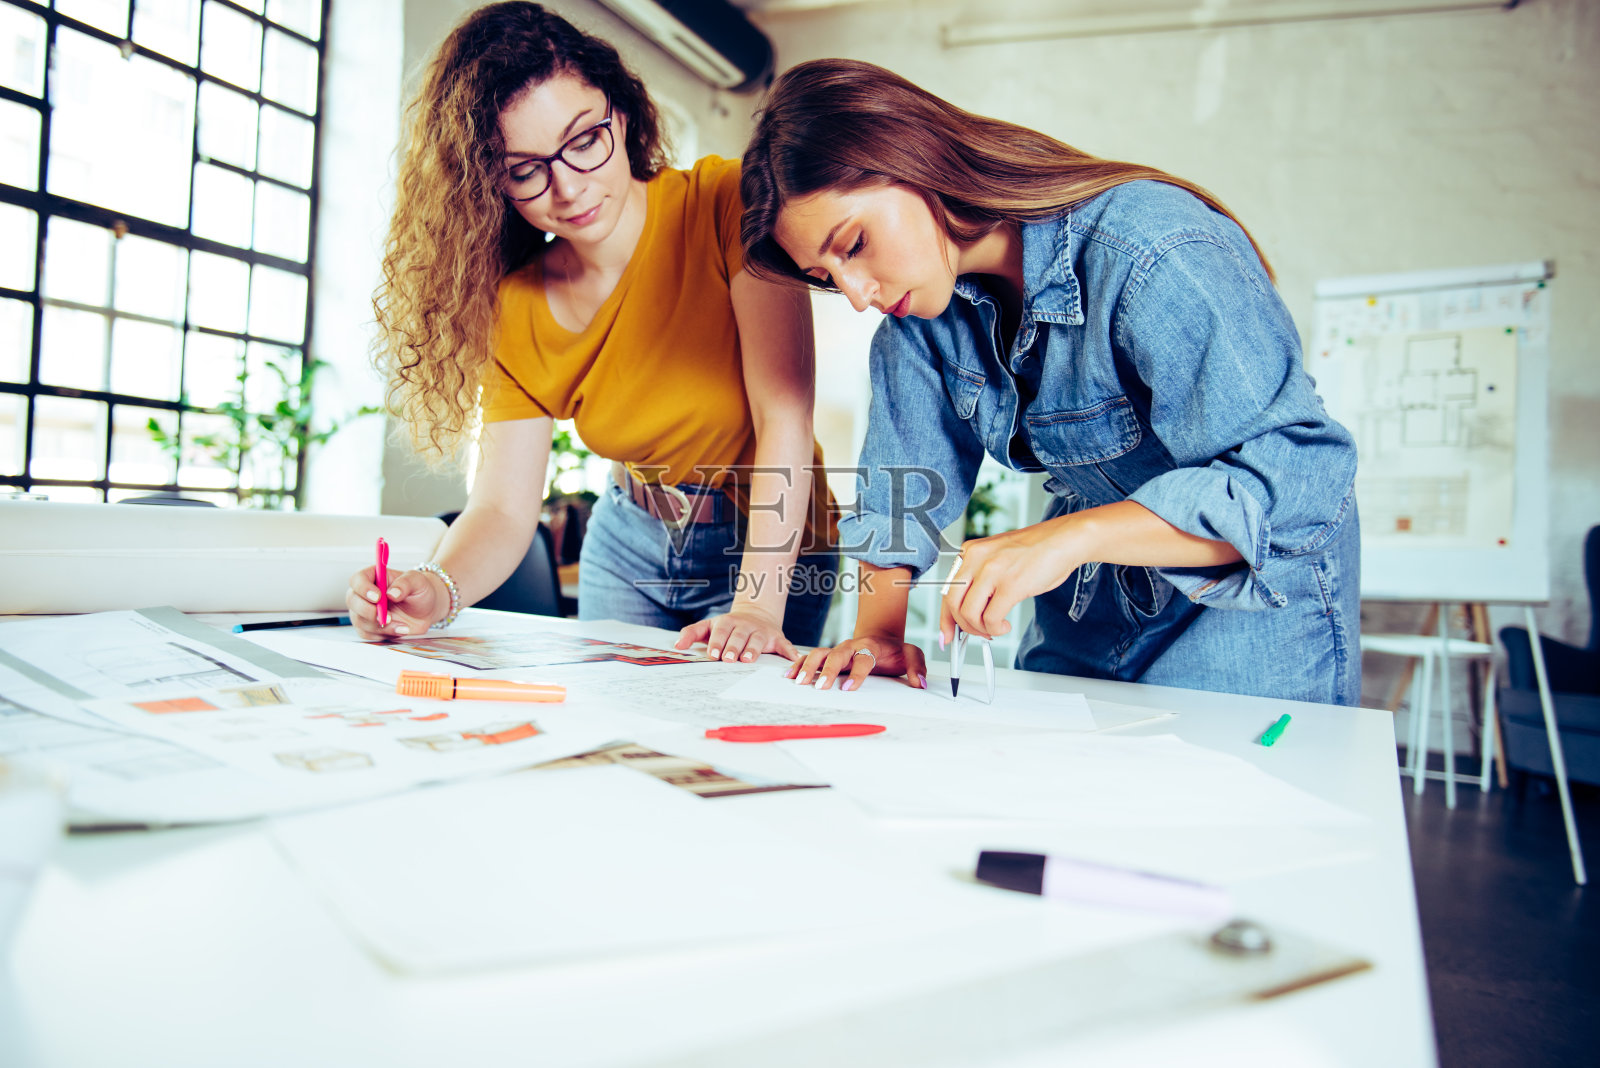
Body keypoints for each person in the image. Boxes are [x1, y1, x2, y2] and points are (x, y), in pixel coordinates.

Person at [739, 59, 1360, 705]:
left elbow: (1299, 479)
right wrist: (878, 632)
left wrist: (1068, 537)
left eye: (854, 245)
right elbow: (900, 493)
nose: (857, 294)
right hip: (1090, 602)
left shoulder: (1154, 248)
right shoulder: (916, 316)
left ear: (912, 160)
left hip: (1244, 612)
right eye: (826, 278)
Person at [347, 2, 836, 661]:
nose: (568, 188)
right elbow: (503, 510)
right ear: (493, 185)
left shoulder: (726, 201)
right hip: (628, 541)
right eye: (526, 170)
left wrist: (754, 607)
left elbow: (786, 419)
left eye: (583, 141)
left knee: (737, 718)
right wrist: (435, 590)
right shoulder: (517, 306)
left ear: (621, 114)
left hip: (769, 541)